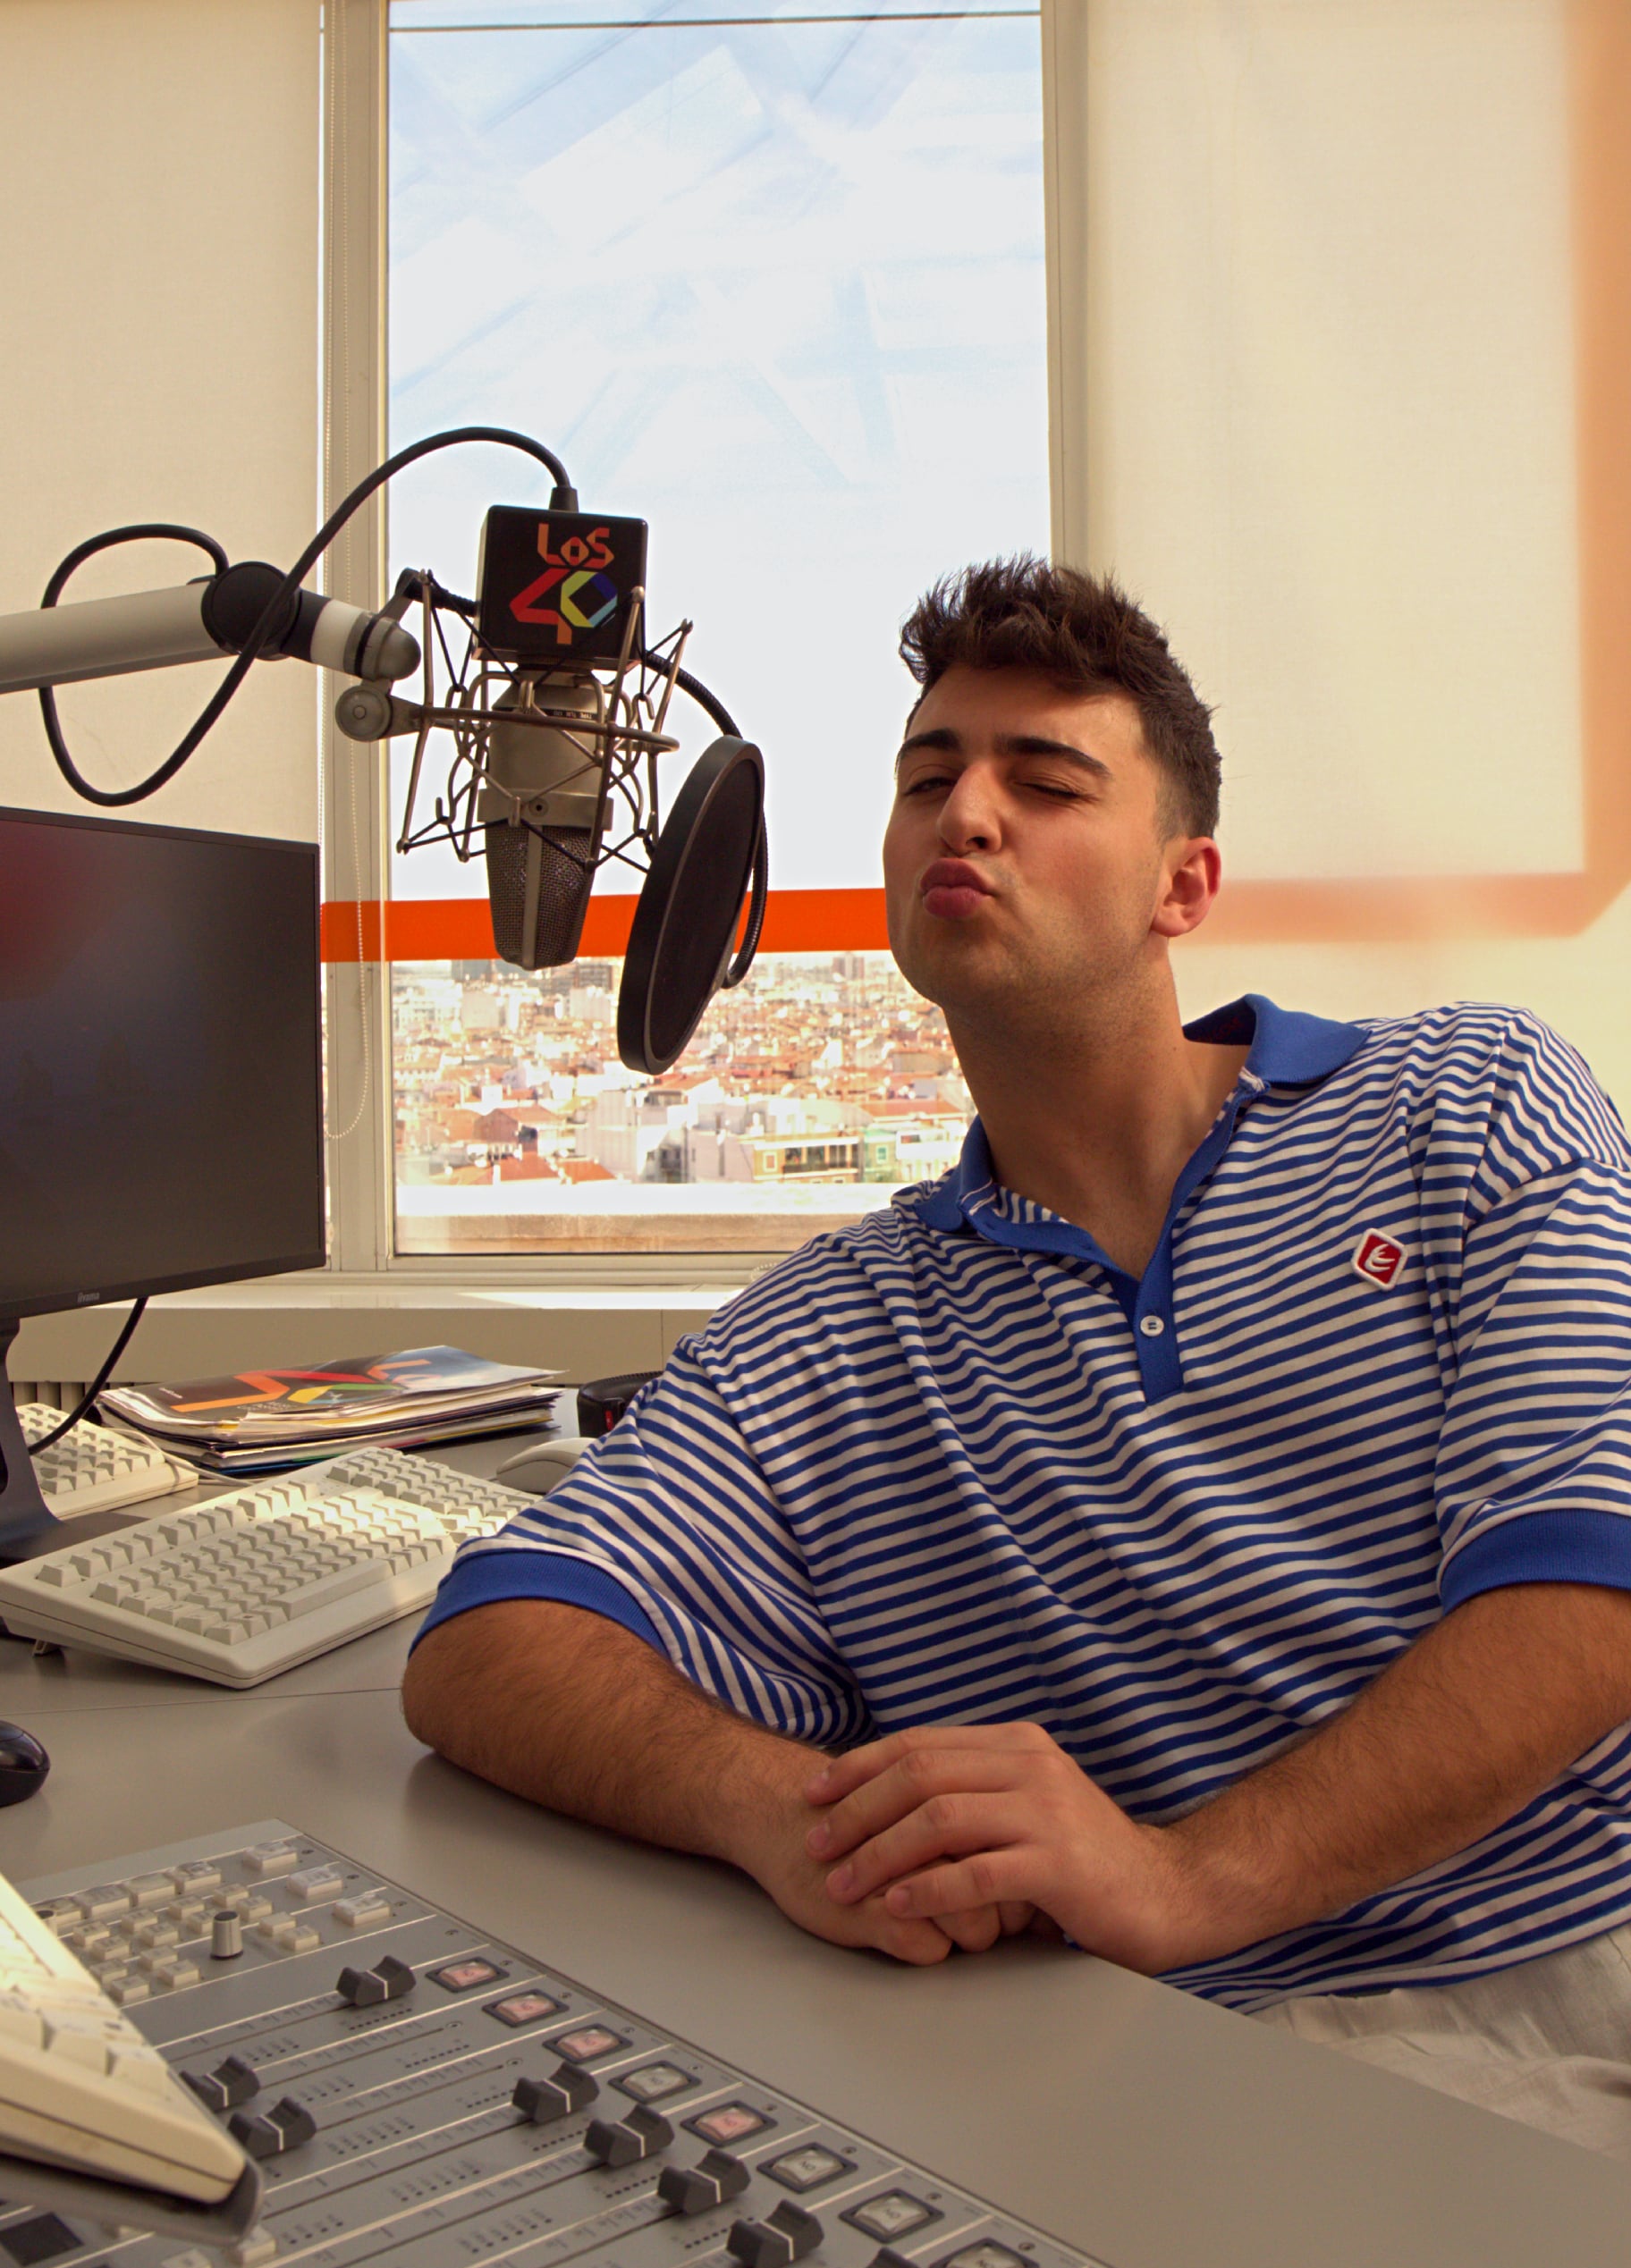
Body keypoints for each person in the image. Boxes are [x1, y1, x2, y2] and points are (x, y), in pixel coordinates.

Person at [403, 558, 1631, 2156]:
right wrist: (779, 1814)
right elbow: (488, 1649)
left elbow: (1589, 1586)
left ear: (1182, 887)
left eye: (1044, 782)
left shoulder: (1465, 1100)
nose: (965, 813)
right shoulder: (831, 1333)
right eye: (930, 777)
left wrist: (1188, 1878)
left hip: (1582, 1958)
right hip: (1202, 2060)